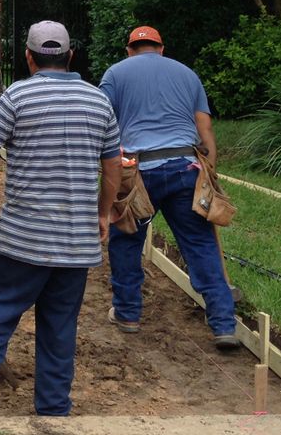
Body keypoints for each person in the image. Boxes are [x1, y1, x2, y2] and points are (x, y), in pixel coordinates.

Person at [0, 21, 121, 418]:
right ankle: (53, 406)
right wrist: (102, 212)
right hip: (76, 240)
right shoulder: (98, 101)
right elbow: (113, 164)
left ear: (29, 57)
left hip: (22, 236)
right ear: (70, 56)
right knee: (60, 325)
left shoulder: (18, 95)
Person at [98, 25, 241, 350]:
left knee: (126, 239)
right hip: (184, 169)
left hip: (138, 173)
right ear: (161, 48)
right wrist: (209, 175)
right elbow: (205, 128)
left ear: (129, 50)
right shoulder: (187, 74)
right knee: (200, 244)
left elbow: (102, 122)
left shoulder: (115, 74)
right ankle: (223, 324)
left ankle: (127, 314)